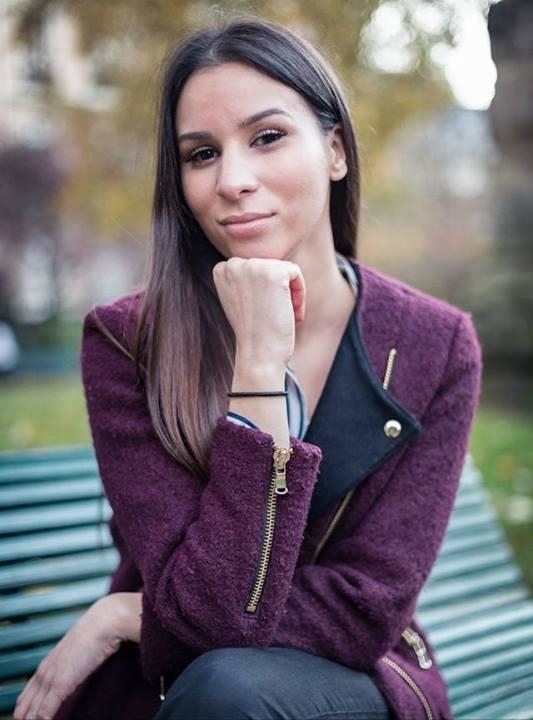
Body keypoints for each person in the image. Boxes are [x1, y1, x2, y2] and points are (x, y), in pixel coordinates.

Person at [14, 16, 482, 720]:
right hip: (173, 685)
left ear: (334, 151)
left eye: (266, 137)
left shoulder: (435, 344)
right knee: (224, 684)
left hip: (351, 679)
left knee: (232, 685)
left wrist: (126, 614)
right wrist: (259, 365)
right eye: (201, 154)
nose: (232, 180)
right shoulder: (127, 341)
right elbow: (209, 615)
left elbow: (366, 608)